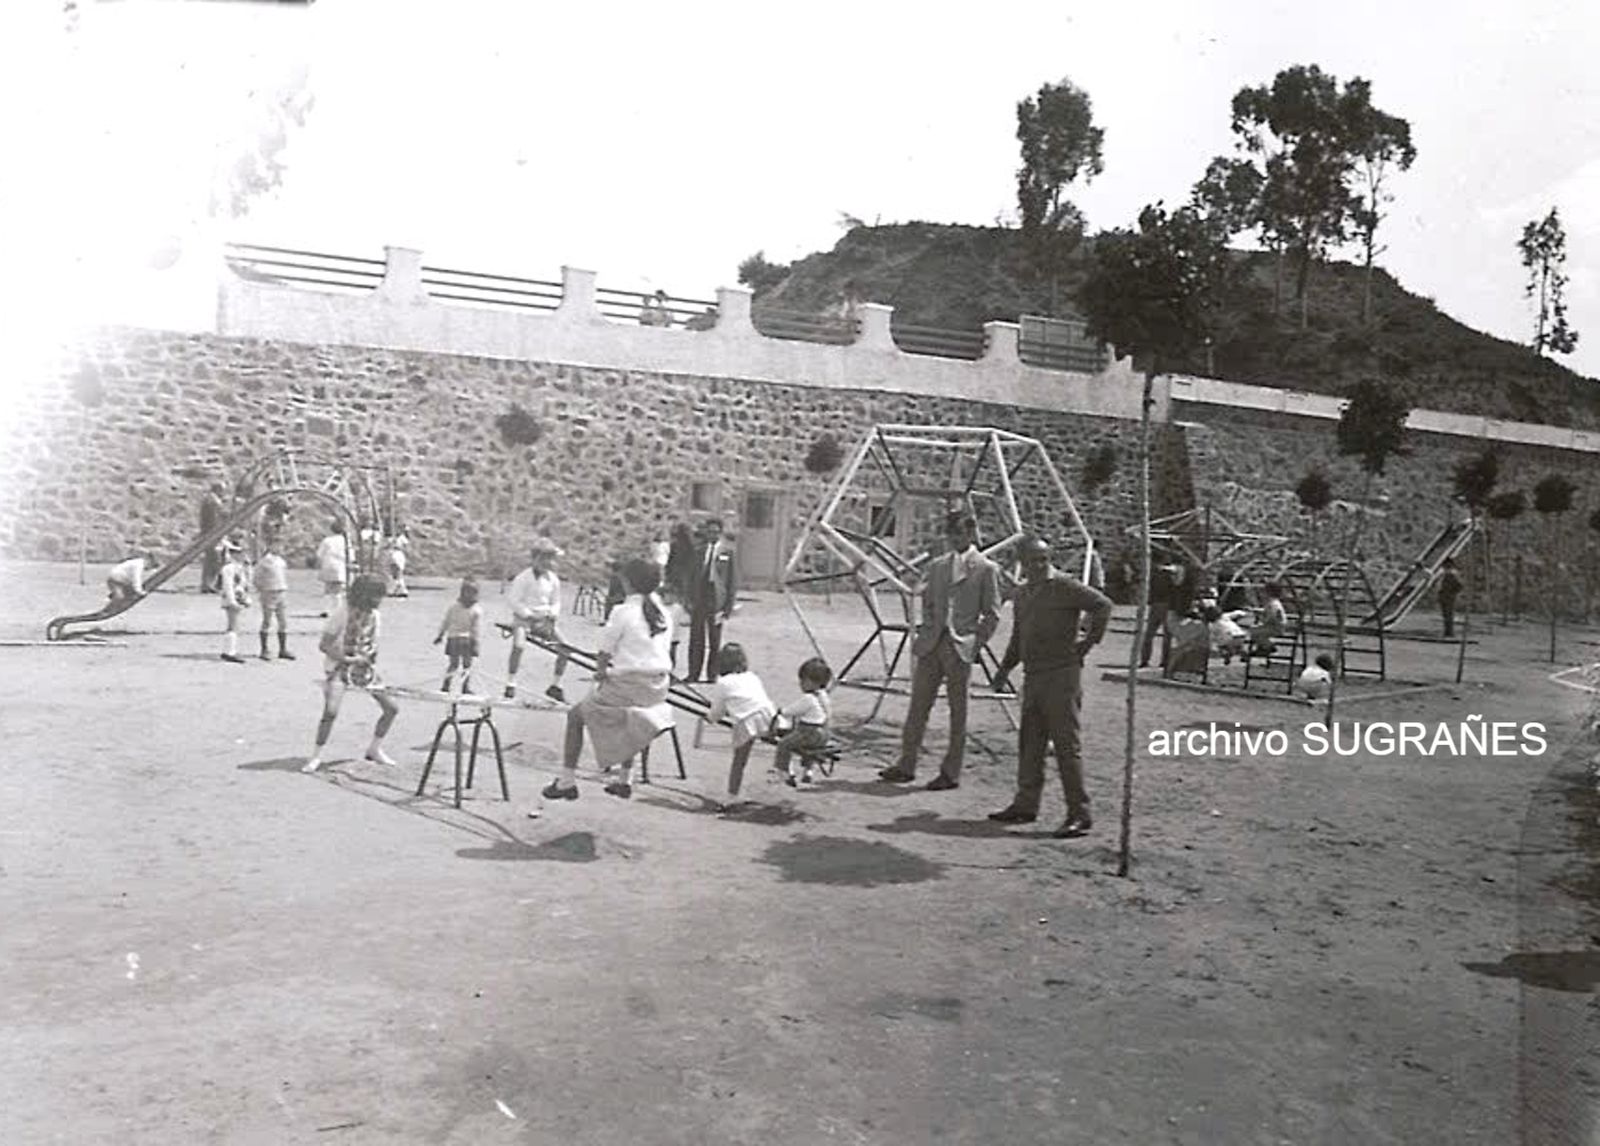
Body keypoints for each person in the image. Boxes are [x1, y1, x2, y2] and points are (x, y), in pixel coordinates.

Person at [988, 535, 1112, 839]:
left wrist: (1088, 643)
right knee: (1030, 743)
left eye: (1044, 559)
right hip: (1033, 677)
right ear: (1022, 564)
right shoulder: (1022, 594)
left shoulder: (1065, 586)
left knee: (1066, 746)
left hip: (1062, 676)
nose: (1040, 565)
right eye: (1033, 560)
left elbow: (1102, 605)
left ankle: (1079, 813)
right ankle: (1026, 804)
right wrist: (1004, 669)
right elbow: (1019, 637)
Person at [878, 509, 1002, 791]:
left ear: (971, 533)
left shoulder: (986, 569)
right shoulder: (938, 566)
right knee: (918, 706)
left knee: (959, 712)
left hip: (960, 647)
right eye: (951, 534)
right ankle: (906, 764)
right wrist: (927, 630)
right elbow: (930, 603)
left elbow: (992, 614)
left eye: (960, 533)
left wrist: (974, 643)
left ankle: (951, 772)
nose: (955, 538)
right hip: (932, 644)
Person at [540, 558, 674, 802]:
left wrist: (601, 673)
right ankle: (625, 779)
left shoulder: (623, 611)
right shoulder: (664, 612)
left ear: (628, 583)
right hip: (658, 686)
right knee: (630, 716)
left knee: (575, 716)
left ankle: (566, 781)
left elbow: (604, 652)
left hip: (629, 685)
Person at [303, 573, 400, 774]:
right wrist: (347, 660)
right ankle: (315, 757)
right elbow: (324, 644)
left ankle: (374, 749)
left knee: (391, 708)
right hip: (339, 667)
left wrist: (368, 661)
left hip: (364, 669)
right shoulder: (343, 612)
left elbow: (373, 645)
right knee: (330, 712)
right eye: (376, 596)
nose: (379, 601)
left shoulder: (375, 616)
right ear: (366, 595)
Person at [704, 643, 776, 812]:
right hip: (768, 717)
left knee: (739, 761)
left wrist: (709, 718)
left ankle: (731, 796)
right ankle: (786, 768)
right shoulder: (752, 676)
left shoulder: (723, 682)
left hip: (747, 721)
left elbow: (717, 712)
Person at [504, 537, 571, 701]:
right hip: (524, 619)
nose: (546, 562)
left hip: (545, 620)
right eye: (542, 558)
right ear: (534, 559)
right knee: (519, 646)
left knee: (566, 649)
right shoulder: (523, 578)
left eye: (549, 558)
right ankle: (510, 683)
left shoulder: (553, 579)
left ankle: (555, 685)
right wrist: (527, 615)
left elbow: (556, 601)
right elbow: (513, 600)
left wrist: (552, 615)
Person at [685, 518, 737, 684]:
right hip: (700, 598)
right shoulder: (698, 551)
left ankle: (712, 674)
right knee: (696, 638)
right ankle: (693, 673)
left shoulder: (727, 553)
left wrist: (728, 606)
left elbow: (731, 581)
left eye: (716, 532)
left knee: (715, 640)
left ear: (720, 533)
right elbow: (691, 577)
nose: (712, 535)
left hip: (716, 601)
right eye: (710, 531)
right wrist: (688, 598)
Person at [772, 657, 834, 789]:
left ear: (813, 682)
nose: (800, 684)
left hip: (809, 732)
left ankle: (784, 771)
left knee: (784, 744)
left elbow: (792, 711)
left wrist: (781, 711)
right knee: (810, 750)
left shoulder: (808, 699)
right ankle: (808, 771)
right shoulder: (823, 695)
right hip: (824, 732)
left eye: (803, 681)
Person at [435, 578, 484, 693]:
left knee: (454, 664)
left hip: (453, 638)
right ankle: (464, 687)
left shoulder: (453, 607)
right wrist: (476, 643)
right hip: (466, 640)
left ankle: (446, 685)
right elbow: (475, 629)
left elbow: (446, 622)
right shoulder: (476, 610)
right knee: (467, 665)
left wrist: (440, 635)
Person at [254, 539, 294, 661]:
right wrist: (262, 589)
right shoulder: (265, 561)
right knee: (267, 621)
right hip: (269, 592)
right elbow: (257, 578)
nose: (280, 548)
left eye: (281, 546)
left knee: (283, 621)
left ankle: (283, 649)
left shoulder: (281, 561)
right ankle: (264, 649)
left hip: (281, 591)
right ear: (270, 546)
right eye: (277, 546)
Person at [218, 537, 251, 664]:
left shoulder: (239, 568)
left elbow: (242, 585)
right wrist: (232, 600)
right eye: (239, 553)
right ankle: (229, 652)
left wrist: (245, 598)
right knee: (233, 625)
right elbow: (228, 586)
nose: (242, 555)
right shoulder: (228, 568)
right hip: (231, 598)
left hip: (238, 597)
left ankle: (230, 650)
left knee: (235, 625)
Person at [315, 522, 349, 619]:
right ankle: (337, 610)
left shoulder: (327, 541)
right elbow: (351, 555)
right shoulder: (345, 541)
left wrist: (319, 565)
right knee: (338, 590)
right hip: (340, 567)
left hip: (328, 565)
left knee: (328, 589)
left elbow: (319, 555)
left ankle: (327, 610)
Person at [199, 482, 226, 594]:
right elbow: (213, 519)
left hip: (211, 532)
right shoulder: (212, 501)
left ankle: (209, 583)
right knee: (213, 558)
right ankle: (208, 584)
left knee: (212, 558)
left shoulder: (210, 499)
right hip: (212, 533)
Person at [1436, 557, 1463, 637]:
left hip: (1449, 596)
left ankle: (1450, 632)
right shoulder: (1443, 573)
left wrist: (1452, 593)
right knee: (1445, 614)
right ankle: (1447, 631)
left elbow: (1459, 585)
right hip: (1443, 594)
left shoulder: (1453, 574)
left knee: (1449, 614)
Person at [386, 527, 411, 598]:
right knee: (393, 573)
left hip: (398, 555)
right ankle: (395, 589)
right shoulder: (390, 538)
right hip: (392, 555)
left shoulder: (402, 538)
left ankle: (402, 590)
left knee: (398, 572)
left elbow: (406, 547)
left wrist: (397, 545)